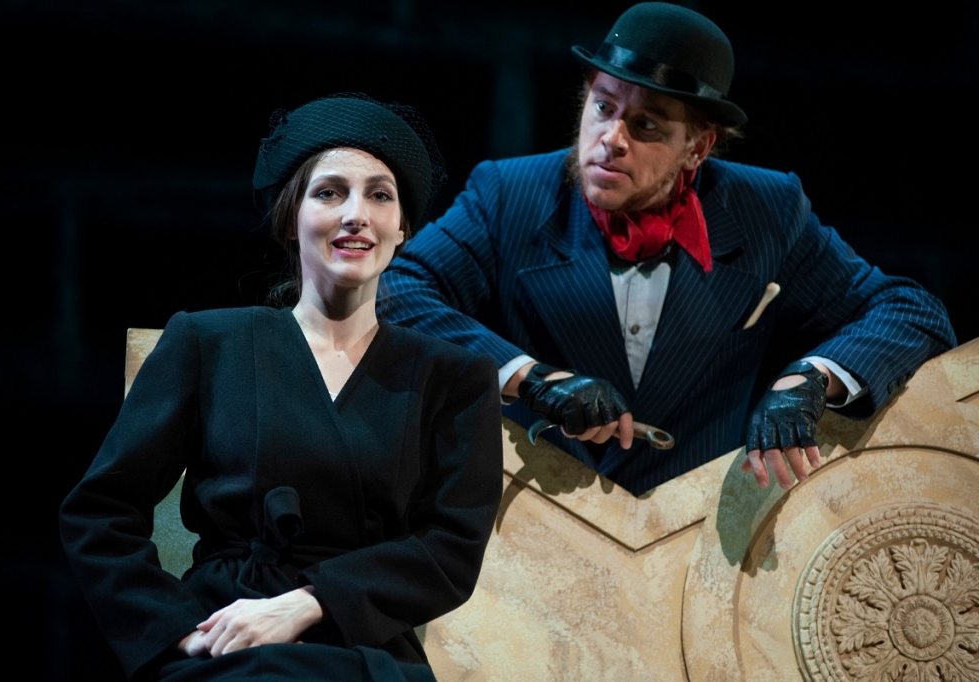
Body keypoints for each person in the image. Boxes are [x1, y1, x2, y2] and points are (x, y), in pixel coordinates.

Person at [380, 2, 956, 496]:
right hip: (545, 519)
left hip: (692, 534)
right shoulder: (510, 194)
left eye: (647, 126)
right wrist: (531, 379)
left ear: (698, 147)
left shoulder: (765, 210)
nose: (611, 139)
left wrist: (810, 380)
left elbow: (911, 310)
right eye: (603, 107)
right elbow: (395, 291)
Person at [60, 93, 504, 682]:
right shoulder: (208, 342)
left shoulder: (454, 376)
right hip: (227, 642)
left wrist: (310, 602)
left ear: (403, 229)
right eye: (330, 193)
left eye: (380, 195)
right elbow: (100, 511)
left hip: (363, 651)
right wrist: (175, 630)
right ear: (291, 217)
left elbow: (451, 548)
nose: (356, 214)